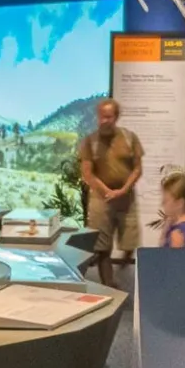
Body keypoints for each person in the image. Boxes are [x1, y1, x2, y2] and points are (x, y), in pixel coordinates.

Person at [77, 99, 143, 286]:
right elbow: (87, 173)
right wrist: (107, 192)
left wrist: (123, 190)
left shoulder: (130, 138)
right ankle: (109, 284)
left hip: (126, 197)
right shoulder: (90, 142)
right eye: (101, 117)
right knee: (102, 246)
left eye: (108, 117)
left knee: (130, 242)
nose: (104, 121)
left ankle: (124, 265)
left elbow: (137, 168)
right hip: (101, 199)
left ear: (116, 117)